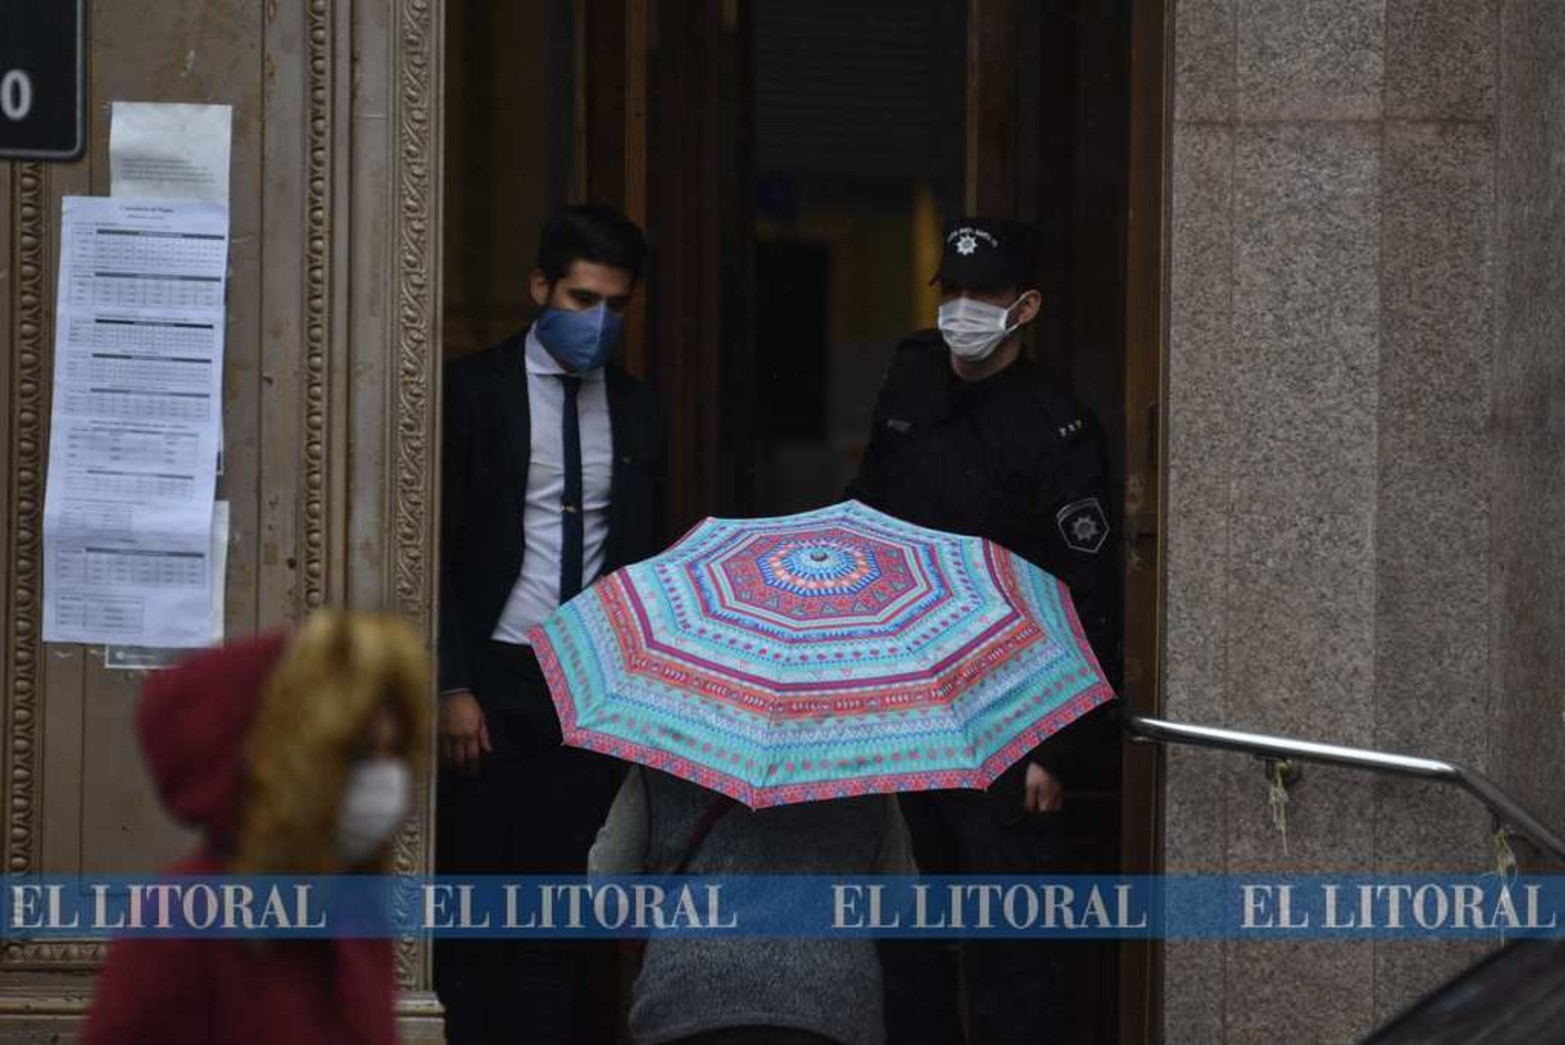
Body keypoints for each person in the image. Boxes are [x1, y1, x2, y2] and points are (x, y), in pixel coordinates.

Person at [847, 216, 1121, 1045]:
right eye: (952, 291)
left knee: (1012, 956)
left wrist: (1057, 745)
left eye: (984, 294)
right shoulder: (911, 390)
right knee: (909, 945)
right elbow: (868, 524)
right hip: (907, 708)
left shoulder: (1055, 428)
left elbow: (1087, 593)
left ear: (1024, 305)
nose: (961, 309)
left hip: (1008, 716)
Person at [436, 203, 667, 1043]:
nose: (597, 323)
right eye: (580, 299)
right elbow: (435, 548)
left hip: (588, 682)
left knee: (564, 905)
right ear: (539, 287)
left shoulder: (641, 412)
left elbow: (642, 553)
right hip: (491, 678)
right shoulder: (471, 391)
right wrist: (451, 680)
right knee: (472, 897)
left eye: (616, 305)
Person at [82, 610, 433, 1045]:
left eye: (393, 754)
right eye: (358, 756)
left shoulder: (352, 910)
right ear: (284, 762)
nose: (385, 780)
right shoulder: (177, 920)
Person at [589, 767, 914, 1045]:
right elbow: (895, 905)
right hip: (833, 1006)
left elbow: (610, 888)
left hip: (686, 998)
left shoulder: (663, 762)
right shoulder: (866, 774)